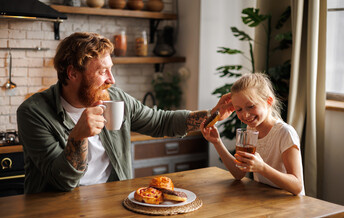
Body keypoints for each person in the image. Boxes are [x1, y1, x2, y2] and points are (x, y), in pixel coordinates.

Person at [17, 32, 230, 194]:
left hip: (113, 201)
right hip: (56, 210)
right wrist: (78, 136)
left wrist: (213, 115)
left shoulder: (115, 98)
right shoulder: (33, 113)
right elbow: (63, 181)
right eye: (102, 71)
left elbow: (160, 121)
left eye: (111, 69)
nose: (112, 79)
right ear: (72, 73)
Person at [200, 73, 305, 196]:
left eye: (251, 106)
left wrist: (262, 168)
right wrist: (217, 142)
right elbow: (239, 173)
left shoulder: (285, 133)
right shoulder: (250, 129)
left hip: (289, 205)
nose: (245, 115)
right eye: (239, 109)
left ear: (268, 101)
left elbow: (297, 186)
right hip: (263, 200)